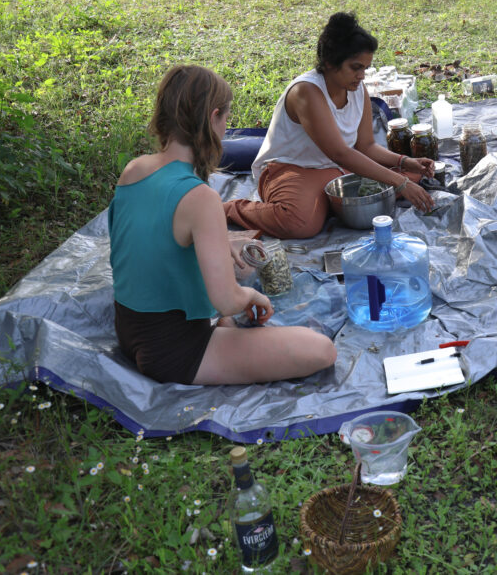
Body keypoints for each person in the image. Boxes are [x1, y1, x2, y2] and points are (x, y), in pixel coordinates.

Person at [108, 65, 337, 385]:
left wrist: (223, 244)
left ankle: (224, 335)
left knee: (231, 284)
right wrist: (252, 298)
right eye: (227, 119)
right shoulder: (200, 197)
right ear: (214, 117)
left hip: (129, 331)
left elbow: (149, 241)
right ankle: (223, 341)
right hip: (176, 352)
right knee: (320, 349)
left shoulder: (134, 170)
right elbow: (225, 301)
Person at [224, 12, 435, 239]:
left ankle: (327, 202)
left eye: (365, 68)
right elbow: (340, 152)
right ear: (329, 63)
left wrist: (405, 162)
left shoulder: (356, 89)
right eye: (356, 67)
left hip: (338, 169)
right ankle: (229, 209)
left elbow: (366, 146)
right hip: (295, 169)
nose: (362, 76)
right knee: (300, 223)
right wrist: (400, 182)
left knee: (415, 177)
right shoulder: (307, 92)